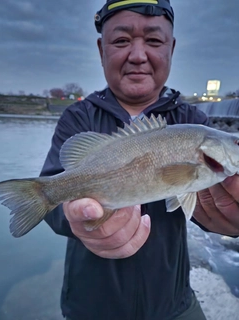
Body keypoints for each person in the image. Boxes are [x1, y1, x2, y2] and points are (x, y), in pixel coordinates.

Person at [40, 1, 239, 319]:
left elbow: (199, 205)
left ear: (171, 48)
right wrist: (76, 218)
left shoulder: (192, 119)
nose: (137, 55)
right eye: (121, 40)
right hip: (91, 307)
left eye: (154, 40)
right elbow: (51, 205)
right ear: (101, 49)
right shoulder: (78, 117)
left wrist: (230, 221)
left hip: (173, 303)